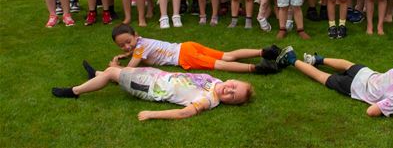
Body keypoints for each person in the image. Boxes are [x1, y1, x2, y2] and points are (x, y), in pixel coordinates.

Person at [276, 47, 393, 120]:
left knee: (346, 63)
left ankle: (318, 59)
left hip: (364, 73)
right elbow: (371, 112)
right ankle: (291, 59)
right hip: (355, 87)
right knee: (321, 78)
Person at [52, 65, 253, 121]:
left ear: (229, 103)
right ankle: (97, 76)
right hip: (156, 75)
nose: (229, 90)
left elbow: (185, 113)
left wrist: (151, 114)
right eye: (233, 85)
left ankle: (75, 91)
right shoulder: (216, 82)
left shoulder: (208, 100)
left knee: (114, 72)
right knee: (120, 71)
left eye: (232, 95)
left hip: (150, 87)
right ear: (230, 80)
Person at [108, 24, 280, 74]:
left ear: (135, 36)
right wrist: (125, 54)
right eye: (122, 45)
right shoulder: (141, 42)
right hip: (187, 45)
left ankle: (257, 68)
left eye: (128, 41)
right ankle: (264, 52)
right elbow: (134, 52)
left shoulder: (140, 49)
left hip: (184, 57)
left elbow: (130, 69)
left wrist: (116, 68)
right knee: (226, 55)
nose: (127, 46)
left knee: (219, 64)